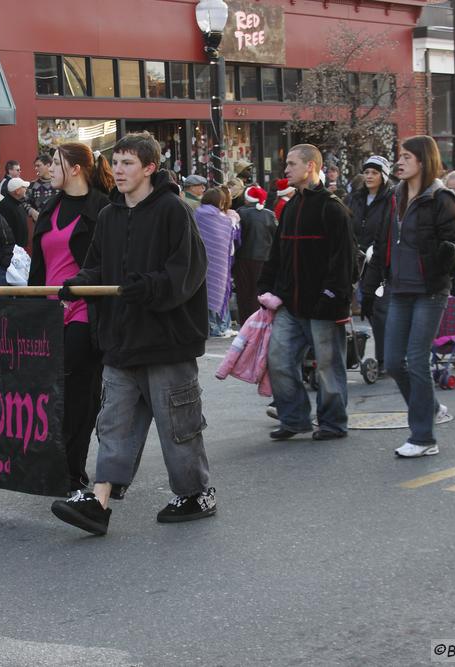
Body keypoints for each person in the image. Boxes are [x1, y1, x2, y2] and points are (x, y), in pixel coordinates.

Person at [49, 132, 214, 535]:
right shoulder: (109, 214)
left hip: (166, 340)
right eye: (116, 163)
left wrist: (150, 286)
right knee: (114, 423)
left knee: (178, 425)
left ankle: (196, 493)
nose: (118, 171)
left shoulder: (173, 210)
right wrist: (78, 284)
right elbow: (98, 266)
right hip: (120, 340)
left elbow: (187, 272)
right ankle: (99, 502)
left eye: (127, 164)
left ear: (149, 169)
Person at [362, 135, 455, 458]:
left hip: (429, 291)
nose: (400, 161)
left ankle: (423, 438)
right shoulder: (394, 197)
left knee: (417, 360)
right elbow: (382, 245)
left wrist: (442, 259)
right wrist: (367, 285)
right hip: (398, 289)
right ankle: (429, 406)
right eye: (399, 156)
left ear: (423, 160)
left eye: (406, 156)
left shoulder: (441, 198)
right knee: (393, 361)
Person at [28, 141, 112, 493]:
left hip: (83, 312)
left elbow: (107, 262)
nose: (50, 170)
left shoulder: (102, 207)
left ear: (75, 168)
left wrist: (77, 291)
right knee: (49, 394)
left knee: (78, 395)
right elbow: (40, 263)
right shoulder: (51, 205)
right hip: (48, 312)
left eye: (57, 164)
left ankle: (73, 469)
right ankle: (54, 463)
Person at [258, 144, 357, 442]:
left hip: (323, 305)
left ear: (310, 166)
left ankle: (333, 423)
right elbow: (277, 253)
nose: (285, 170)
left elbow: (344, 260)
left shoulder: (333, 208)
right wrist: (266, 286)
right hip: (291, 304)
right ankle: (294, 419)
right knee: (279, 360)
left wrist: (331, 296)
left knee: (328, 367)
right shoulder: (290, 208)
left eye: (291, 164)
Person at [347, 156, 395, 371]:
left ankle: (385, 360)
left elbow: (389, 230)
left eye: (374, 173)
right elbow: (347, 223)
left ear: (383, 176)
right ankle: (347, 356)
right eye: (366, 172)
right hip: (355, 259)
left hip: (380, 261)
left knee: (379, 310)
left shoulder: (391, 199)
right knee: (356, 307)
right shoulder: (355, 198)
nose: (369, 176)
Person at [195, 188, 236, 337]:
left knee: (206, 293)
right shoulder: (221, 218)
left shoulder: (198, 213)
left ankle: (211, 326)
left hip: (203, 261)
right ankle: (214, 327)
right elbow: (227, 236)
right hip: (219, 263)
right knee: (216, 291)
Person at [233, 185, 276, 324]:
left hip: (243, 257)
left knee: (244, 290)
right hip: (264, 257)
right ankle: (261, 318)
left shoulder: (241, 213)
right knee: (260, 290)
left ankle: (246, 319)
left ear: (247, 199)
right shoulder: (270, 214)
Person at [0, 177, 31, 248]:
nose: (26, 189)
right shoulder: (5, 206)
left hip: (20, 248)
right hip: (14, 250)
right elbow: (6, 231)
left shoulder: (18, 202)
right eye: (23, 187)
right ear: (17, 191)